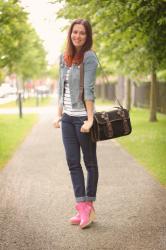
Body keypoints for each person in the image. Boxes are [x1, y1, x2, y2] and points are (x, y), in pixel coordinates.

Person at [53, 19, 99, 229]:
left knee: (89, 162)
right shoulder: (64, 58)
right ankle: (81, 206)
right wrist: (58, 115)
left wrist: (90, 120)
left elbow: (88, 90)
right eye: (75, 32)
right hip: (68, 120)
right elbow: (60, 90)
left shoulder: (89, 58)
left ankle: (88, 205)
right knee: (73, 162)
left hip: (82, 118)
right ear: (70, 34)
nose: (77, 36)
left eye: (82, 33)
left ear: (87, 36)